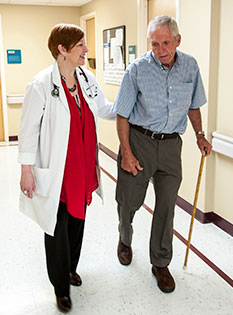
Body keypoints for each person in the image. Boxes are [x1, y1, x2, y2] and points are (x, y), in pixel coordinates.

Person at [18, 23, 115, 312]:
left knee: (77, 223)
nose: (86, 49)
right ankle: (61, 288)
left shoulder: (85, 77)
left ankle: (71, 268)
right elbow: (28, 131)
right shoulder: (40, 84)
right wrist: (26, 170)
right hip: (57, 170)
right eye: (81, 45)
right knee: (57, 228)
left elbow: (104, 108)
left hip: (82, 167)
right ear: (63, 49)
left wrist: (130, 105)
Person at [114, 15, 212, 293]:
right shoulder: (137, 69)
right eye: (154, 44)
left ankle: (160, 263)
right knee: (129, 201)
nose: (160, 50)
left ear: (178, 41)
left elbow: (193, 106)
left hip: (171, 147)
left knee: (167, 206)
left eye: (165, 43)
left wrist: (200, 135)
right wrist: (127, 153)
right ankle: (124, 237)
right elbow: (122, 115)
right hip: (139, 141)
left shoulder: (190, 66)